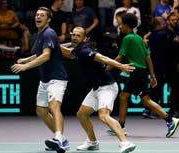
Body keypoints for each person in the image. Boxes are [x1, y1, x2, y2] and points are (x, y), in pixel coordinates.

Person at [61, 26, 136, 153]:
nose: (75, 37)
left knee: (103, 115)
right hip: (96, 89)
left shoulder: (85, 51)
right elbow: (68, 53)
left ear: (85, 39)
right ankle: (92, 142)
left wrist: (120, 66)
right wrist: (52, 44)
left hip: (107, 87)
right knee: (82, 114)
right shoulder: (77, 50)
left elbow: (103, 58)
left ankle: (125, 142)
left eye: (78, 35)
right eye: (73, 35)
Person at [106, 13, 179, 138]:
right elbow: (148, 57)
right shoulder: (139, 38)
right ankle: (121, 126)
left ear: (126, 25)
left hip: (136, 73)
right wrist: (152, 76)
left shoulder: (127, 38)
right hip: (140, 72)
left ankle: (170, 120)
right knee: (124, 96)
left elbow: (119, 57)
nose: (120, 26)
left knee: (146, 100)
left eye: (122, 24)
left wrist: (106, 68)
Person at [11, 7, 69, 153]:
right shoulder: (41, 34)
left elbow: (46, 56)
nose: (38, 17)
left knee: (54, 106)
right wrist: (26, 59)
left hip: (56, 78)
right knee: (41, 111)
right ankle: (63, 139)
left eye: (42, 15)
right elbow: (39, 53)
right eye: (37, 14)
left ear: (48, 19)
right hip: (45, 79)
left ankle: (58, 139)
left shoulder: (48, 33)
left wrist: (26, 67)